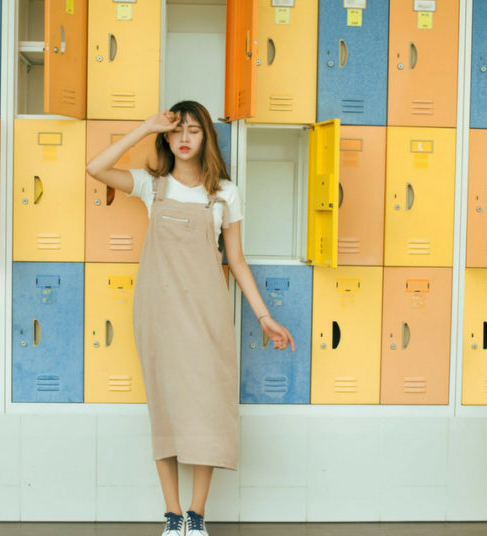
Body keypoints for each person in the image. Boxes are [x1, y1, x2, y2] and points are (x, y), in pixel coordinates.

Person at [85, 101, 295, 536]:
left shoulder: (224, 193)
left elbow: (235, 260)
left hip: (207, 315)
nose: (184, 138)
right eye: (176, 129)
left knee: (207, 411)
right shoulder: (152, 186)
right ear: (166, 136)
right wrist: (145, 126)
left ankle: (197, 515)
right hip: (158, 313)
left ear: (207, 138)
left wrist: (264, 316)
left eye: (194, 130)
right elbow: (96, 167)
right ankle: (172, 514)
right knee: (165, 409)